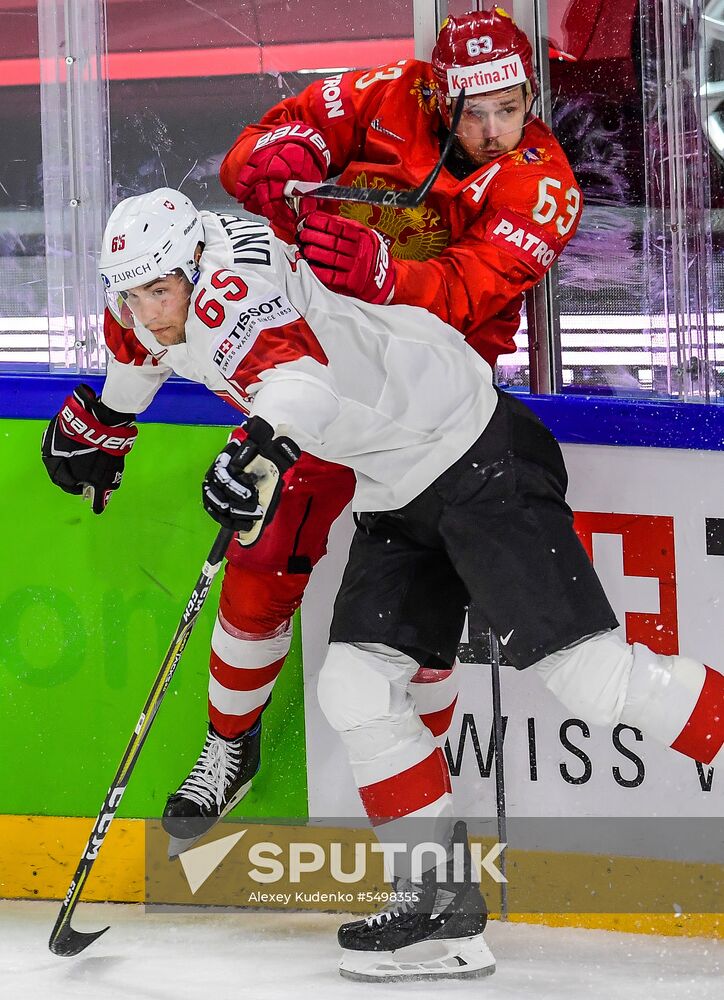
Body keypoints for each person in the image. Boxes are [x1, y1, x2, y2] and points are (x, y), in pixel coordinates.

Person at [42, 189, 723, 981]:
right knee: (357, 686)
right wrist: (111, 417)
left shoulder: (232, 302)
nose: (148, 314)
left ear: (195, 267)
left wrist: (259, 444)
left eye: (159, 293)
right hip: (395, 481)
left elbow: (300, 380)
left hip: (474, 451)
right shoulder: (166, 277)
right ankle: (442, 913)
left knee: (592, 679)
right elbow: (144, 351)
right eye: (129, 295)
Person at [93, 6, 577, 844]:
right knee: (260, 563)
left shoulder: (545, 183)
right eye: (475, 109)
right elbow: (264, 150)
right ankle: (226, 746)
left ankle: (432, 814)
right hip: (313, 375)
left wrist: (387, 273)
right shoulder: (387, 92)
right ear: (439, 92)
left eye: (512, 107)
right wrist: (279, 157)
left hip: (430, 416)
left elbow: (474, 291)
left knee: (421, 629)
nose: (495, 130)